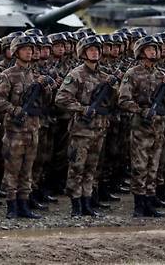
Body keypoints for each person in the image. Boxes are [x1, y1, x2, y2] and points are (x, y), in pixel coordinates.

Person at [118, 35, 165, 218]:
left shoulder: (162, 75)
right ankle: (139, 205)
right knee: (140, 167)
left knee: (154, 166)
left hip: (158, 127)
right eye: (149, 49)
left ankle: (150, 202)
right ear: (141, 52)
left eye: (155, 49)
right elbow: (123, 100)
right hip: (141, 127)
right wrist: (141, 110)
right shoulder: (132, 74)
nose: (153, 52)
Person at [0, 34, 50, 219]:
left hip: (33, 129)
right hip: (15, 131)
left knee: (27, 169)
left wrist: (46, 88)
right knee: (13, 169)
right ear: (16, 52)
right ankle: (11, 206)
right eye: (25, 49)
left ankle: (24, 205)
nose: (29, 52)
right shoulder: (7, 75)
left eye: (31, 49)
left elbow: (46, 102)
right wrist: (14, 109)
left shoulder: (36, 75)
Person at [55, 35, 114, 217]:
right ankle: (76, 205)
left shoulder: (105, 76)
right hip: (81, 130)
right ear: (83, 53)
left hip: (99, 129)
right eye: (91, 50)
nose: (95, 52)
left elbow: (114, 101)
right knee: (77, 168)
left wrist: (115, 88)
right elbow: (61, 98)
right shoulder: (76, 75)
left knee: (91, 169)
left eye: (97, 49)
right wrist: (81, 108)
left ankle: (87, 202)